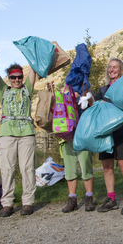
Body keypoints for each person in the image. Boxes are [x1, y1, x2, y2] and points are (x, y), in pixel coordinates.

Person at [0, 63, 37, 217]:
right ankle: (7, 203)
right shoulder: (3, 90)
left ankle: (28, 202)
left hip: (27, 133)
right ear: (9, 78)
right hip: (6, 134)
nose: (17, 80)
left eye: (19, 77)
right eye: (13, 77)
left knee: (27, 168)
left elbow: (34, 68)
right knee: (7, 169)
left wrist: (34, 54)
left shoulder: (27, 89)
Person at [93, 58, 123, 215]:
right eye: (110, 67)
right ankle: (111, 199)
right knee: (107, 167)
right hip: (105, 132)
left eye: (115, 67)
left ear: (121, 70)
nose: (112, 70)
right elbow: (95, 104)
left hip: (121, 130)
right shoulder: (103, 89)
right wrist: (88, 98)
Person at [49, 81, 95, 213]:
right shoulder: (63, 95)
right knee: (70, 170)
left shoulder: (85, 91)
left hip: (82, 135)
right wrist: (51, 94)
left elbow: (93, 104)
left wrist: (87, 95)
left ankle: (89, 198)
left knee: (86, 168)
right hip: (66, 138)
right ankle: (72, 199)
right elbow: (54, 110)